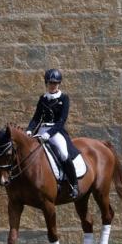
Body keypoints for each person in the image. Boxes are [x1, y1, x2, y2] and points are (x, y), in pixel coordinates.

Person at [26, 69, 79, 197]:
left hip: (56, 132)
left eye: (55, 83)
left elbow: (62, 120)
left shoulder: (64, 98)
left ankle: (74, 185)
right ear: (46, 83)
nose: (53, 86)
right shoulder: (43, 99)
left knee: (64, 154)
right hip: (41, 130)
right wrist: (29, 130)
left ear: (59, 84)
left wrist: (49, 133)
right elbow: (36, 118)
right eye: (50, 83)